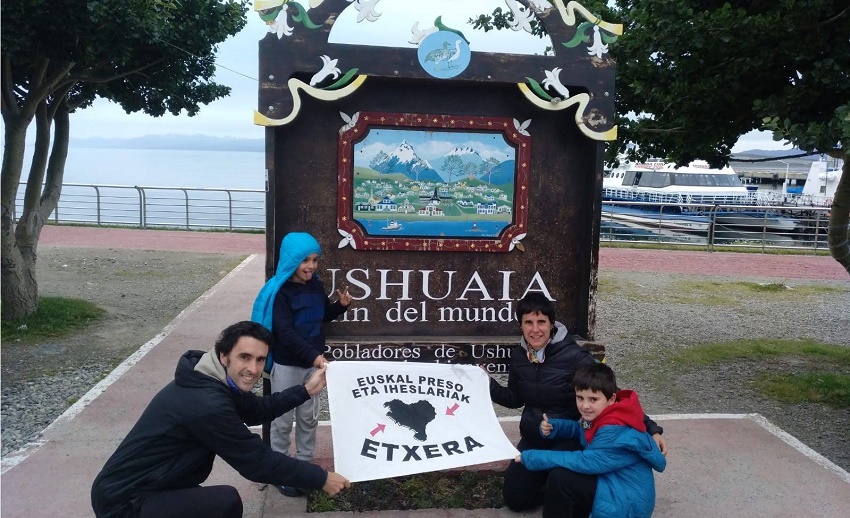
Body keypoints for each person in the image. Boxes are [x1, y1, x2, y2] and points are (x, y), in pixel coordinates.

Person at [90, 321, 350, 518]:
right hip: (124, 502)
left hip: (150, 485)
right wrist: (320, 478)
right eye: (245, 357)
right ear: (224, 356)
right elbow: (256, 462)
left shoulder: (211, 378)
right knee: (225, 502)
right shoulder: (207, 403)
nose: (254, 369)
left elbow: (258, 409)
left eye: (260, 360)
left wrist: (306, 390)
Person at [488, 293, 666, 512]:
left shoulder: (573, 355)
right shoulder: (519, 357)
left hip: (569, 436)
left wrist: (651, 429)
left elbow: (613, 394)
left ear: (551, 324)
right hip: (536, 434)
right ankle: (548, 482)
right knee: (516, 499)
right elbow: (514, 399)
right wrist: (488, 384)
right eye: (529, 323)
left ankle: (566, 490)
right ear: (521, 326)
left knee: (560, 477)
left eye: (541, 322)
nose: (535, 330)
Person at [251, 231, 352, 497]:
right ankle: (280, 468)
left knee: (309, 417)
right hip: (288, 366)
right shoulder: (281, 293)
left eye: (315, 260)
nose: (311, 266)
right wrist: (314, 356)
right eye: (304, 260)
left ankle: (305, 468)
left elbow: (322, 315)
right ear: (290, 261)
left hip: (312, 365)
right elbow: (284, 332)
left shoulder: (316, 287)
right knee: (282, 420)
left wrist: (339, 306)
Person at [516, 363, 667, 518]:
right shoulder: (605, 415)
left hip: (626, 505)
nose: (585, 406)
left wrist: (532, 457)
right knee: (564, 468)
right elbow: (581, 429)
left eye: (593, 399)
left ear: (611, 398)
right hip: (612, 482)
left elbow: (585, 462)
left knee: (561, 478)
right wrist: (556, 427)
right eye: (580, 398)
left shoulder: (614, 428)